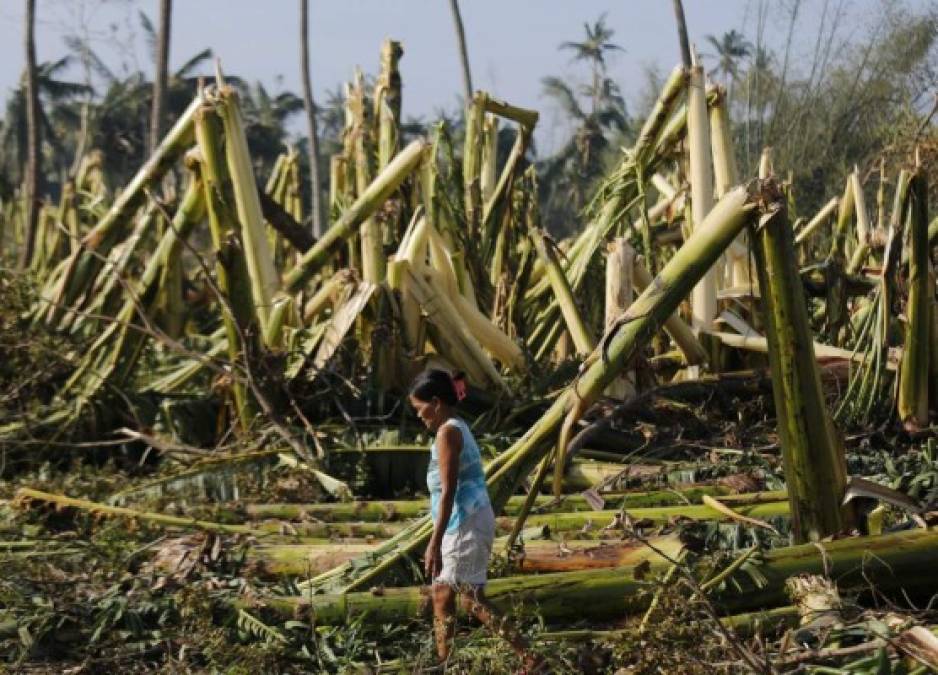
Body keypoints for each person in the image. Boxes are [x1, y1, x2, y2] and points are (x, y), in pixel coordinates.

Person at [409, 369, 543, 671]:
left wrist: (434, 542)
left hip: (464, 522)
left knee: (470, 598)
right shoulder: (454, 427)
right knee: (443, 594)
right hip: (463, 520)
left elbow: (448, 492)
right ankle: (446, 664)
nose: (419, 417)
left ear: (435, 402)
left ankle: (531, 658)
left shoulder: (448, 433)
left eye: (420, 409)